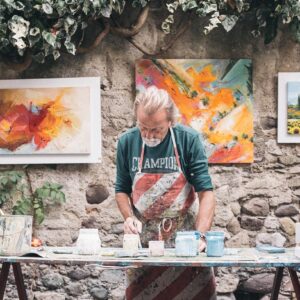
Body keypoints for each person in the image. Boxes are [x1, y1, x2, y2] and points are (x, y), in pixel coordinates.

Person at [115, 86, 216, 299]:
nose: (149, 135)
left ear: (171, 121)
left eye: (157, 129)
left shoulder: (188, 140)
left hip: (185, 241)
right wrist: (129, 217)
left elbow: (206, 192)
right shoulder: (127, 142)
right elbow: (121, 190)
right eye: (143, 127)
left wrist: (200, 236)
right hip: (144, 244)